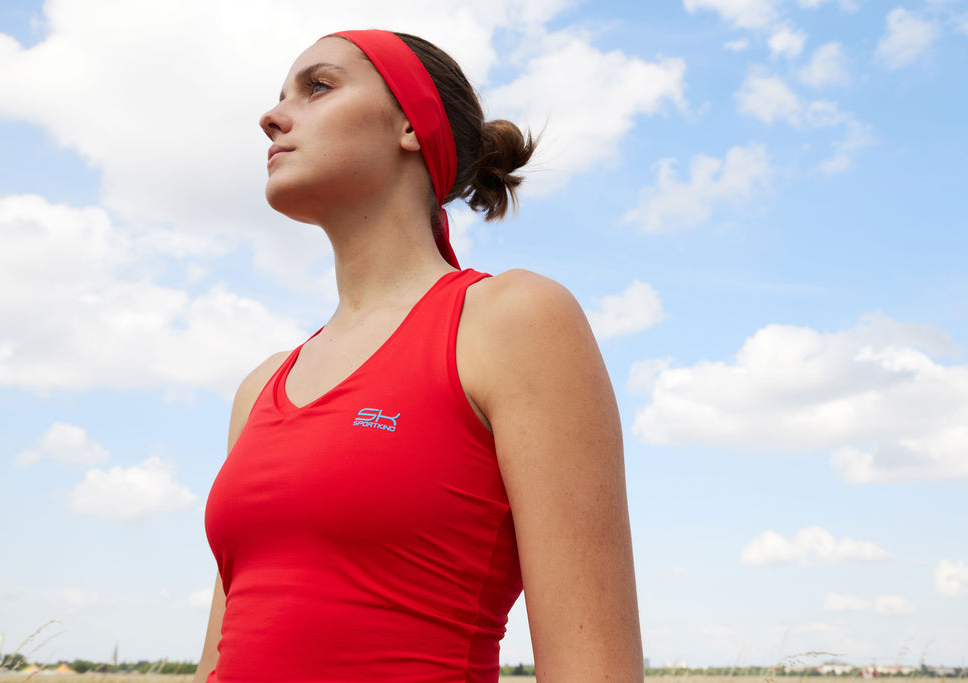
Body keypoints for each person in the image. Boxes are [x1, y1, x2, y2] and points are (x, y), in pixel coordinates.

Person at [193, 29, 642, 683]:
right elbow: (219, 660)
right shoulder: (259, 387)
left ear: (411, 124)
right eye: (280, 95)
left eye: (318, 86)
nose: (272, 114)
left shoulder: (513, 322)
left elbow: (593, 669)